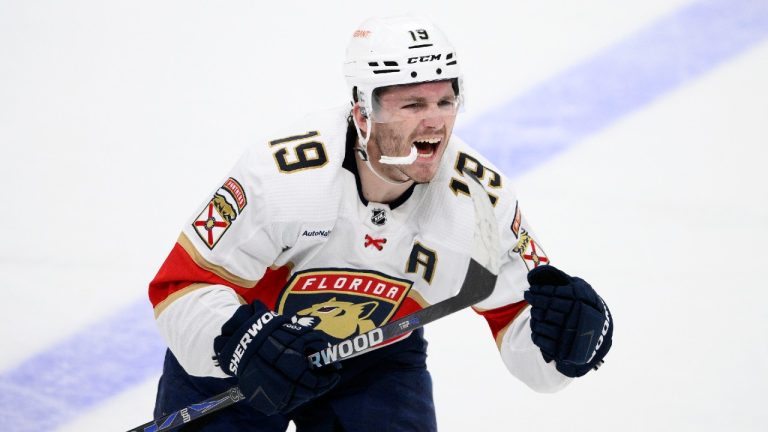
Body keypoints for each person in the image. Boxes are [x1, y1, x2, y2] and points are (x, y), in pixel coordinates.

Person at [148, 15, 613, 431]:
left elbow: (521, 328)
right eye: (412, 105)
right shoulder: (282, 177)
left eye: (445, 101)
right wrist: (241, 344)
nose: (435, 122)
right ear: (362, 113)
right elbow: (180, 290)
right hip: (243, 354)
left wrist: (567, 346)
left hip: (374, 361)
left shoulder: (480, 203)